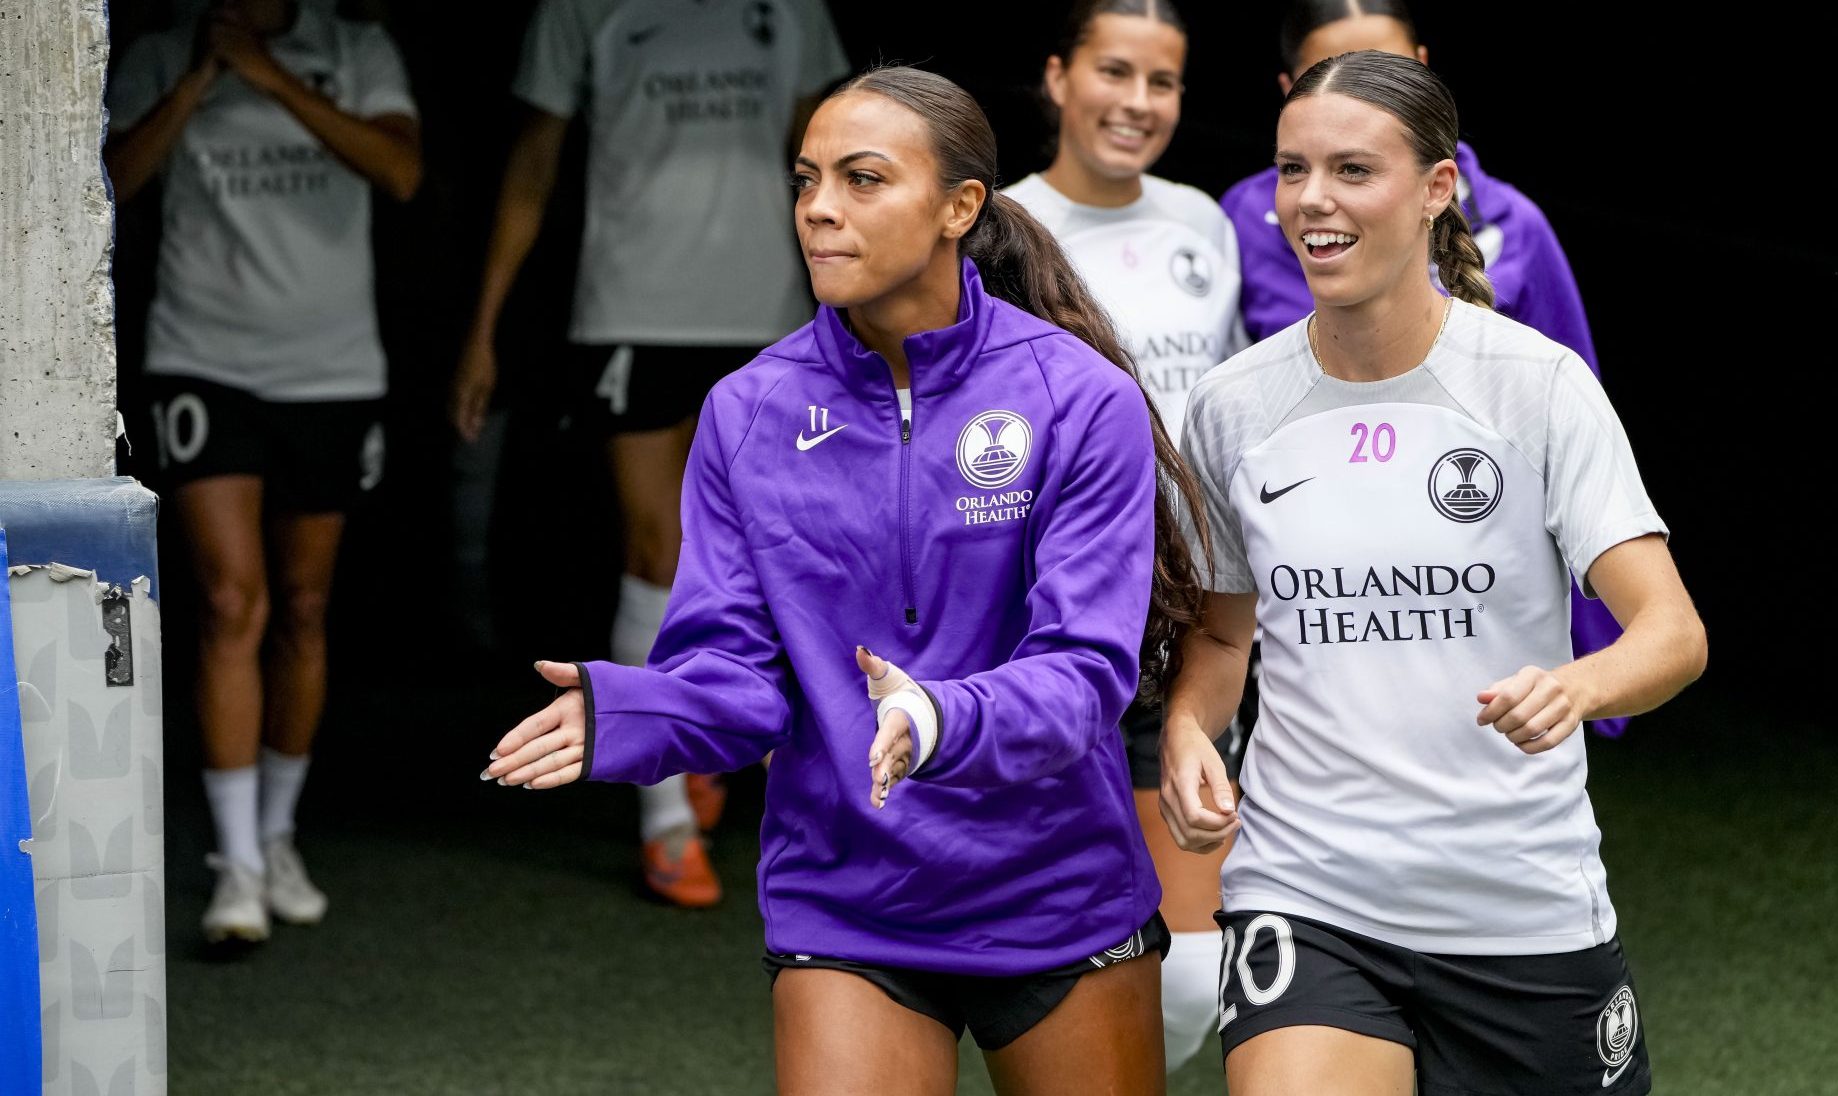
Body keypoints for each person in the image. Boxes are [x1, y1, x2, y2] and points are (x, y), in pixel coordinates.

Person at [483, 65, 1212, 1094]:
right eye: (805, 177)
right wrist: (632, 710)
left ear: (960, 207)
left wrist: (937, 717)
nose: (818, 207)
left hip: (1050, 885)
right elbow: (737, 676)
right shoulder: (747, 409)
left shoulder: (1076, 397)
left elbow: (1085, 671)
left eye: (862, 179)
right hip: (848, 891)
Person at [1160, 51, 1706, 1095]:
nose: (1311, 200)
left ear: (1436, 189)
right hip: (1307, 892)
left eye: (1351, 171)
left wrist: (1578, 684)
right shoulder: (1231, 405)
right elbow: (1224, 634)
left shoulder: (1536, 387)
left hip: (1520, 906)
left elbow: (1670, 632)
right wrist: (1190, 726)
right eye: (1290, 170)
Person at [450, 0, 850, 907]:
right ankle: (666, 822)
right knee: (654, 555)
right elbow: (533, 165)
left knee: (784, 556)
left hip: (768, 315)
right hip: (633, 312)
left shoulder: (789, 10)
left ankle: (725, 728)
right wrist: (484, 326)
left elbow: (824, 155)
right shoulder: (578, 12)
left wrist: (856, 305)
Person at [104, 0, 422, 945]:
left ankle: (278, 835)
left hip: (330, 369)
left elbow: (400, 169)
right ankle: (236, 866)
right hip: (204, 357)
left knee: (305, 605)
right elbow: (110, 184)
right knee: (232, 602)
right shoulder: (165, 50)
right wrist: (205, 72)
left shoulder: (356, 42)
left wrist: (272, 76)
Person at [1220, 0, 1629, 732]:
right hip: (1308, 571)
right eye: (1329, 72)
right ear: (1289, 91)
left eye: (1387, 69)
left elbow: (1584, 444)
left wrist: (1589, 670)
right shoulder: (1243, 223)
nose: (1317, 200)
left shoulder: (1516, 234)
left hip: (1473, 575)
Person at [1002, 0, 1243, 1071]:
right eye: (1113, 71)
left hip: (1193, 618)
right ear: (1056, 77)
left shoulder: (1202, 220)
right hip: (1043, 625)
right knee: (1047, 952)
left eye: (1163, 81)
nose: (1137, 103)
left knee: (1191, 970)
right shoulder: (995, 222)